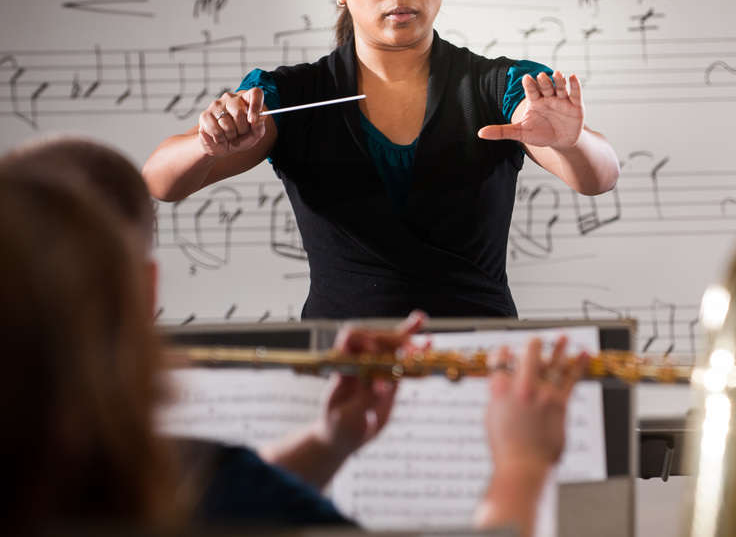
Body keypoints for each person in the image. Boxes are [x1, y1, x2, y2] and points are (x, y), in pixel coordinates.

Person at [0, 142, 584, 536]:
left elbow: (203, 504)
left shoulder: (162, 482)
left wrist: (328, 441)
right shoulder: (161, 474)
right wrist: (523, 466)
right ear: (144, 289)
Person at [142, 0, 621, 320]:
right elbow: (161, 181)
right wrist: (208, 142)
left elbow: (599, 177)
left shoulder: (502, 85)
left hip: (480, 365)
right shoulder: (290, 92)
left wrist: (569, 141)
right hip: (343, 370)